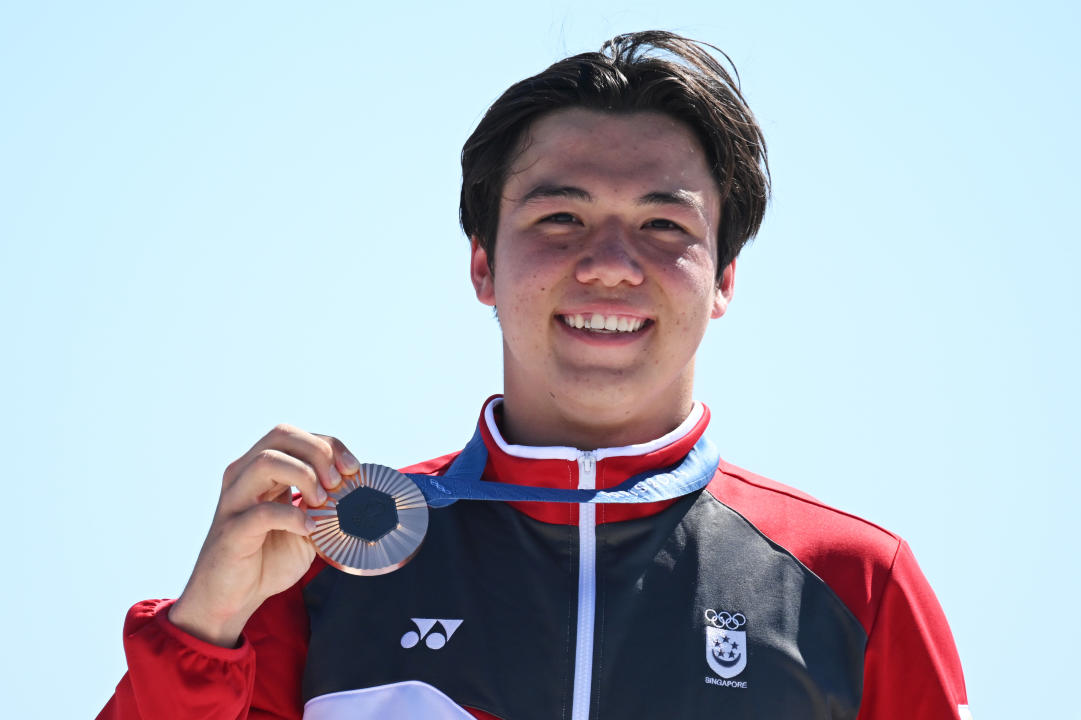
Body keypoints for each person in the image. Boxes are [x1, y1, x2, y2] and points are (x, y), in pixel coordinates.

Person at [98, 30, 971, 720]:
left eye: (664, 227)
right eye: (560, 216)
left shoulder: (856, 585)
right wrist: (204, 631)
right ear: (481, 264)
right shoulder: (320, 566)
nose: (610, 263)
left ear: (724, 279)